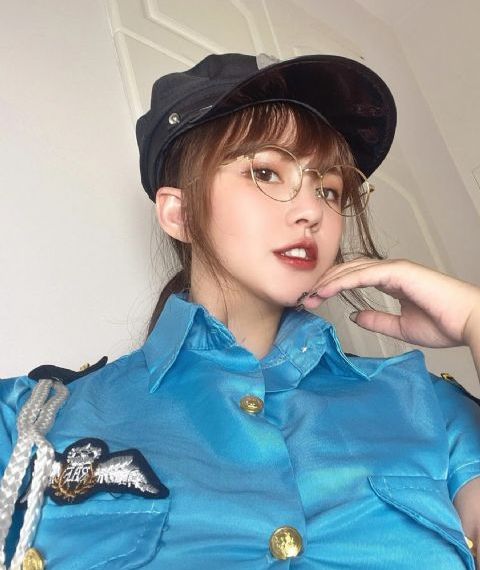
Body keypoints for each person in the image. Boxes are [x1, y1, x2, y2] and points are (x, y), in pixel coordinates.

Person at [1, 52, 480, 569]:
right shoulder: (30, 421)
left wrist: (475, 321)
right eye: (267, 172)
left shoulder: (429, 407)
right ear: (180, 213)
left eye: (328, 189)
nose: (311, 210)